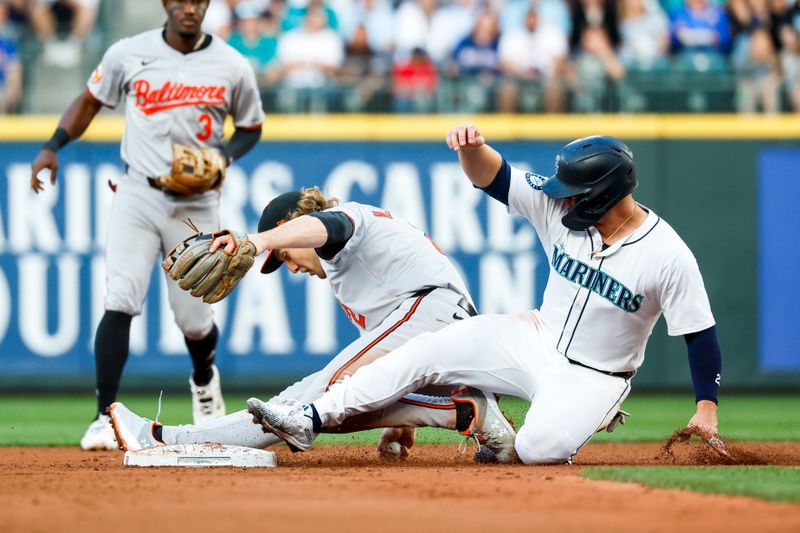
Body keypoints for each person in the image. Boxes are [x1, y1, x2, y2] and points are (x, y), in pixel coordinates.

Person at [244, 123, 724, 465]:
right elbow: (494, 177)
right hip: (534, 336)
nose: (564, 197)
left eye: (576, 191)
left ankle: (573, 419)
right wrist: (472, 147)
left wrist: (706, 409)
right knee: (425, 349)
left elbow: (699, 335)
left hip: (596, 374)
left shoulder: (667, 255)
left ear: (603, 193)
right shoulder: (559, 205)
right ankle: (311, 416)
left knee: (537, 450)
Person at [109, 188, 517, 462]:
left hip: (431, 311)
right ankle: (462, 412)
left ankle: (167, 442)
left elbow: (328, 226)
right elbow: (381, 375)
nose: (289, 266)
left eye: (284, 254)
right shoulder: (353, 275)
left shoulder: (343, 222)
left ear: (292, 227)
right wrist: (400, 418)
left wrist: (258, 240)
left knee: (312, 398)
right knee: (335, 405)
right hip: (437, 324)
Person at [29, 0, 265, 450]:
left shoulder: (231, 64)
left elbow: (251, 126)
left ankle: (203, 378)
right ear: (165, 4)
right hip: (137, 191)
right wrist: (52, 145)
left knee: (193, 317)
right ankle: (103, 416)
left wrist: (225, 156)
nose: (189, 8)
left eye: (198, 1)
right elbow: (90, 101)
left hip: (195, 202)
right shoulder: (128, 52)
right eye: (181, 0)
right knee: (121, 297)